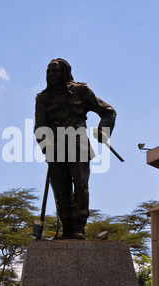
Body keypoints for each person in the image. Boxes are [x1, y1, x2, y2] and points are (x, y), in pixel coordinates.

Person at [34, 58, 117, 239]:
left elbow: (108, 111)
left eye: (54, 71)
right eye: (48, 71)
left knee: (80, 186)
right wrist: (47, 146)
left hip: (78, 143)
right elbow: (39, 127)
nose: (50, 74)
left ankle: (79, 227)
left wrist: (104, 131)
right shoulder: (42, 98)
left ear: (64, 72)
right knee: (60, 190)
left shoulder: (80, 91)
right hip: (55, 149)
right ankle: (67, 229)